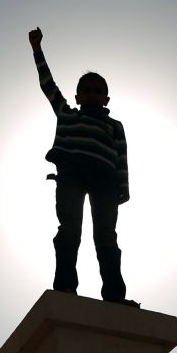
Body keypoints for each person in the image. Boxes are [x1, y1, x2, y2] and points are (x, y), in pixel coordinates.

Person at [28, 27, 139, 308]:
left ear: (106, 99)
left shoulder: (114, 126)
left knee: (106, 238)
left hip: (105, 181)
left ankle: (115, 295)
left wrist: (123, 190)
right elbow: (47, 85)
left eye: (98, 91)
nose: (91, 94)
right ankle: (65, 287)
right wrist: (37, 49)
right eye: (86, 91)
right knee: (69, 231)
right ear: (77, 97)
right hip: (71, 175)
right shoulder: (67, 114)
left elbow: (121, 158)